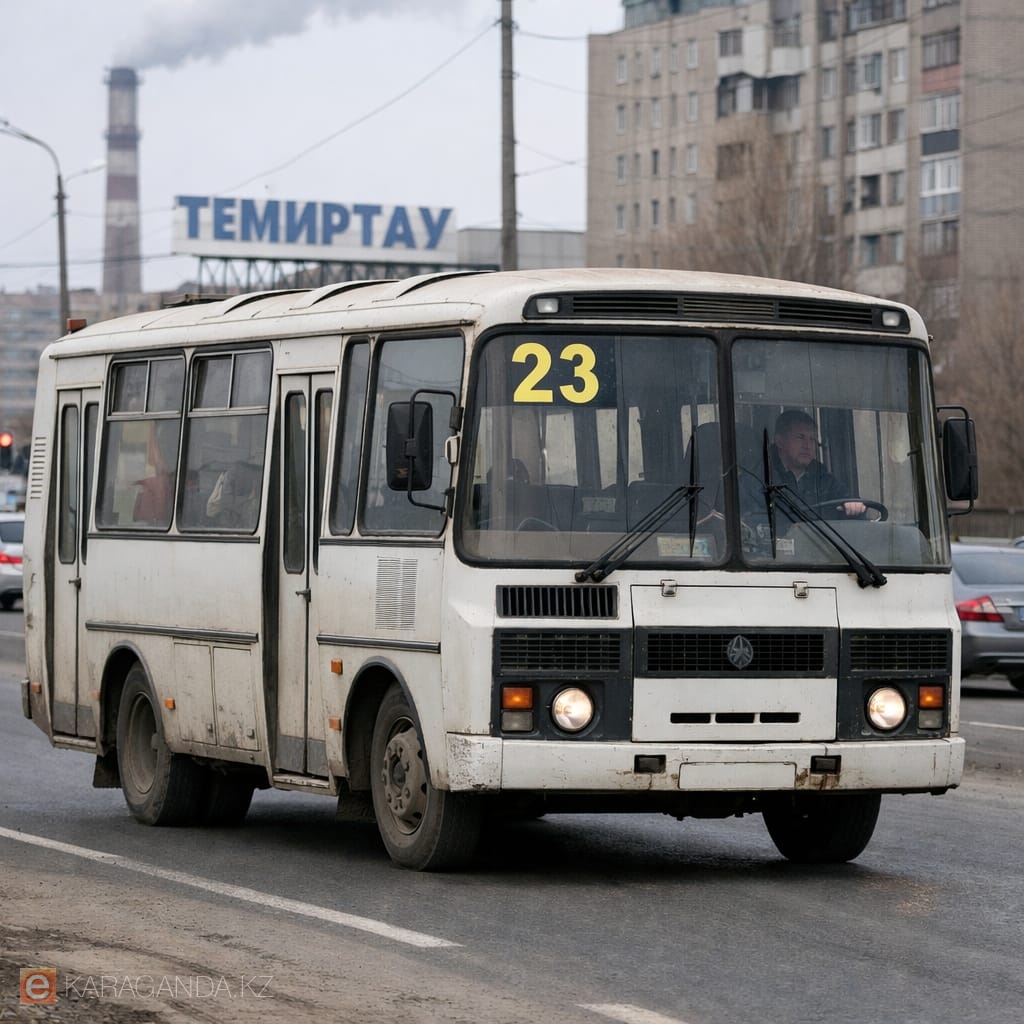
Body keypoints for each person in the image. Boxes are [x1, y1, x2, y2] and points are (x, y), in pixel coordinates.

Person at [770, 409, 866, 518]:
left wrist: (853, 504)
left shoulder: (823, 480)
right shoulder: (762, 477)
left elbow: (848, 499)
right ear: (779, 442)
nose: (807, 445)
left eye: (812, 439)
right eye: (800, 437)